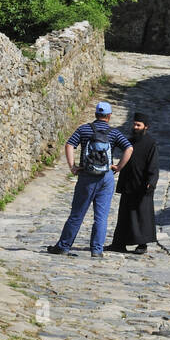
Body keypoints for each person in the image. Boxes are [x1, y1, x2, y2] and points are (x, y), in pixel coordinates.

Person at [47, 102, 132, 258]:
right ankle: (96, 250)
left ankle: (63, 246)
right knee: (101, 216)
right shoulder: (114, 133)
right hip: (106, 177)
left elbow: (69, 145)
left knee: (77, 214)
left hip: (86, 176)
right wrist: (118, 167)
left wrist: (72, 166)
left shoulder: (84, 129)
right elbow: (129, 148)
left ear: (95, 114)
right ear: (109, 116)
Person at [105, 113, 159, 255]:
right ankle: (119, 243)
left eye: (138, 125)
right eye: (134, 124)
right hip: (128, 183)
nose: (135, 127)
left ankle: (142, 244)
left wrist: (151, 182)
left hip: (142, 185)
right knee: (124, 215)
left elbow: (153, 165)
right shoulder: (128, 142)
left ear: (145, 127)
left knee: (142, 215)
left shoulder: (150, 143)